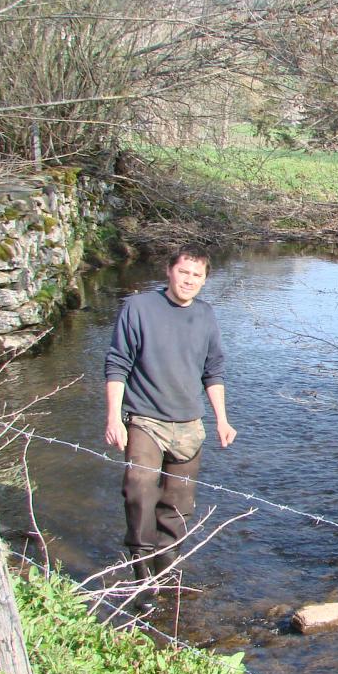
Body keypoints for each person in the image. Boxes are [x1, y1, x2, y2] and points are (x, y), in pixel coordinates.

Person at [104, 244, 236, 597]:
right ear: (169, 270)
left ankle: (166, 573)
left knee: (178, 507)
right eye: (184, 272)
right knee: (139, 489)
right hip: (145, 419)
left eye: (197, 275)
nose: (189, 280)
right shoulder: (138, 308)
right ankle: (141, 575)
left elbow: (214, 371)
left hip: (190, 424)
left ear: (205, 279)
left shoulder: (206, 316)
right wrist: (114, 418)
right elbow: (118, 364)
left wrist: (222, 420)